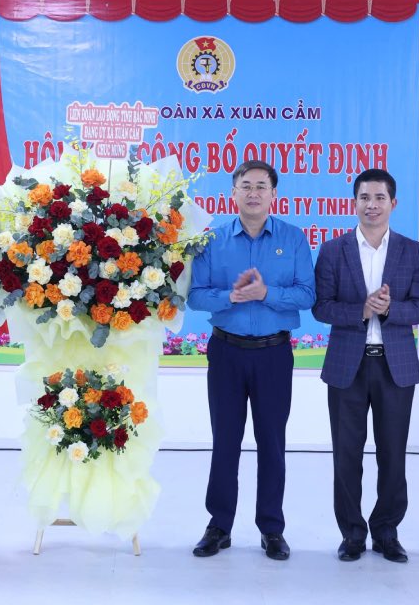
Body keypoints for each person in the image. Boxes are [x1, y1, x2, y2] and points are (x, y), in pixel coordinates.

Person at [188, 160, 315, 561]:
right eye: (246, 186)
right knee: (225, 441)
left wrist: (266, 295)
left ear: (274, 194)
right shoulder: (213, 240)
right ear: (233, 193)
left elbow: (307, 295)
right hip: (226, 352)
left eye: (262, 186)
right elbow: (195, 295)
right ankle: (219, 525)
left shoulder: (294, 239)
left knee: (272, 443)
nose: (254, 193)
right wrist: (231, 297)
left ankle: (271, 528)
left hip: (274, 354)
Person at [312, 168, 419, 563]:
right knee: (346, 454)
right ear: (354, 202)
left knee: (393, 454)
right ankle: (351, 533)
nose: (372, 205)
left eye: (380, 198)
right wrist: (361, 310)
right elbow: (321, 307)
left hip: (395, 366)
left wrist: (392, 309)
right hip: (348, 365)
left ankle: (386, 531)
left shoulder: (411, 250)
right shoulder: (333, 250)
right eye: (364, 197)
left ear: (393, 203)